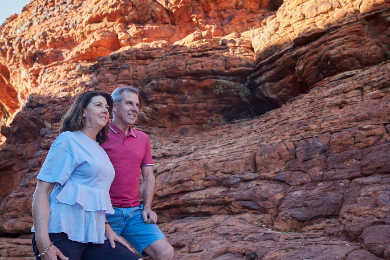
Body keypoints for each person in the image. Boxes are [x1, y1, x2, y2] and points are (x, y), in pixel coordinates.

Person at [31, 91, 139, 260]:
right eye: (98, 105)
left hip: (93, 235)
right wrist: (43, 243)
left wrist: (106, 227)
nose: (105, 110)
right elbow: (41, 192)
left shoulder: (99, 149)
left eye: (107, 107)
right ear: (82, 110)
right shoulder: (68, 140)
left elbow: (95, 195)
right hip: (61, 233)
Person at [101, 86, 174, 260]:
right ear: (114, 106)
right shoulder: (99, 135)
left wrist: (147, 207)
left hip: (134, 213)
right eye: (129, 103)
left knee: (165, 253)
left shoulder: (143, 138)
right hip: (104, 213)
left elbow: (148, 176)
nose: (135, 109)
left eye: (137, 105)